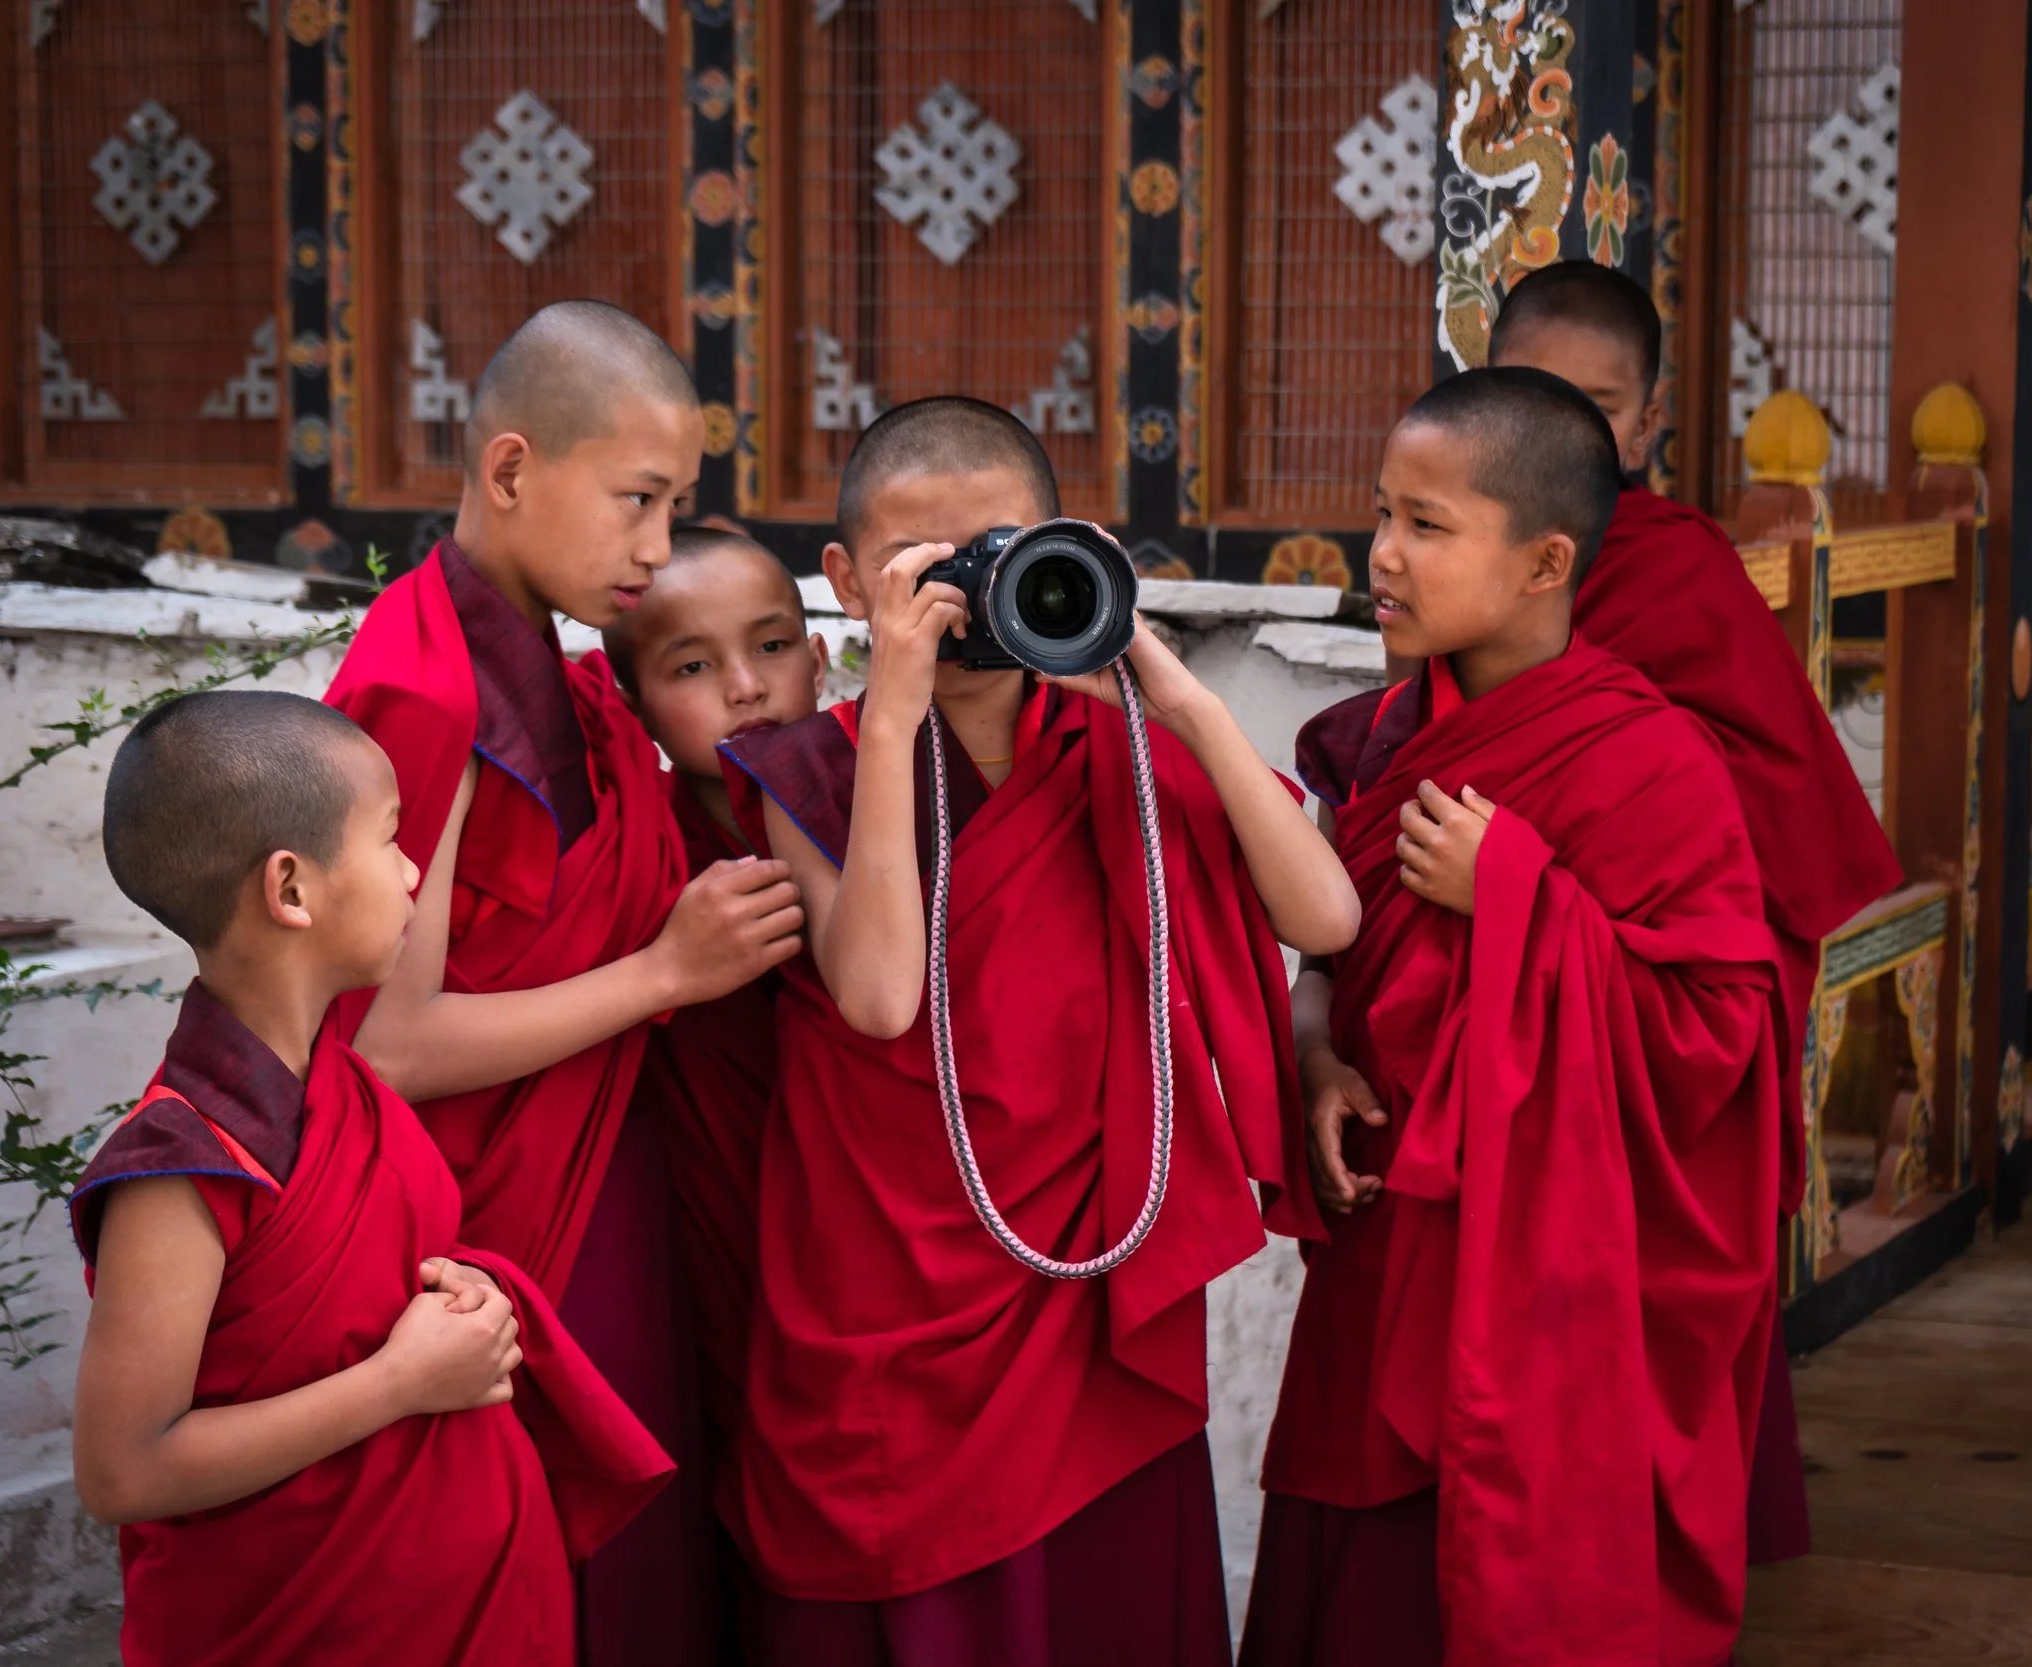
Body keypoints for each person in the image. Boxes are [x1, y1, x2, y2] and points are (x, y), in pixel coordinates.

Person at [718, 396, 1357, 1662]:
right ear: (847, 580)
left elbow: (1323, 911)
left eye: (993, 556)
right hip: (889, 1294)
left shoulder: (1121, 754)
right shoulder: (812, 769)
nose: (962, 599)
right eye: (922, 571)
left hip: (1088, 1309)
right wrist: (892, 716)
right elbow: (882, 996)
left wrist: (1173, 692)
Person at [1242, 369, 1783, 1667]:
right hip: (1387, 1247)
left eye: (1428, 525)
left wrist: (1520, 897)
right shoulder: (1373, 739)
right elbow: (1333, 953)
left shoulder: (1649, 763)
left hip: (1542, 1283)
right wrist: (1314, 1052)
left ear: (1546, 559)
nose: (1383, 552)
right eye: (1382, 513)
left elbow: (1720, 1035)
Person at [323, 301, 803, 1662]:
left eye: (679, 506)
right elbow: (389, 1044)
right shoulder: (428, 691)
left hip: (604, 1170)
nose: (657, 547)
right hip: (501, 1221)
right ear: (514, 469)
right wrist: (667, 970)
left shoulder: (561, 674)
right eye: (638, 501)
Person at [71, 690, 671, 1667]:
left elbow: (383, 1272)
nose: (410, 871)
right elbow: (123, 1469)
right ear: (291, 889)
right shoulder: (179, 1168)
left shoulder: (338, 1080)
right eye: (391, 840)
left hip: (450, 1588)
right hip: (308, 1619)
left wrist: (460, 1290)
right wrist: (397, 1382)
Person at [1486, 260, 1903, 1563]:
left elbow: (1752, 805)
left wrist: (1578, 840)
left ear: (1654, 423)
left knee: (1645, 1295)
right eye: (1540, 395)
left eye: (1602, 406)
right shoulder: (1454, 539)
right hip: (1503, 991)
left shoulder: (1678, 569)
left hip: (1645, 988)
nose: (1573, 433)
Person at [599, 524, 827, 1590]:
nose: (746, 687)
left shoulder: (890, 805)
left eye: (773, 646)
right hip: (706, 1205)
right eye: (692, 665)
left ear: (821, 658)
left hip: (867, 1211)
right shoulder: (626, 843)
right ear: (634, 703)